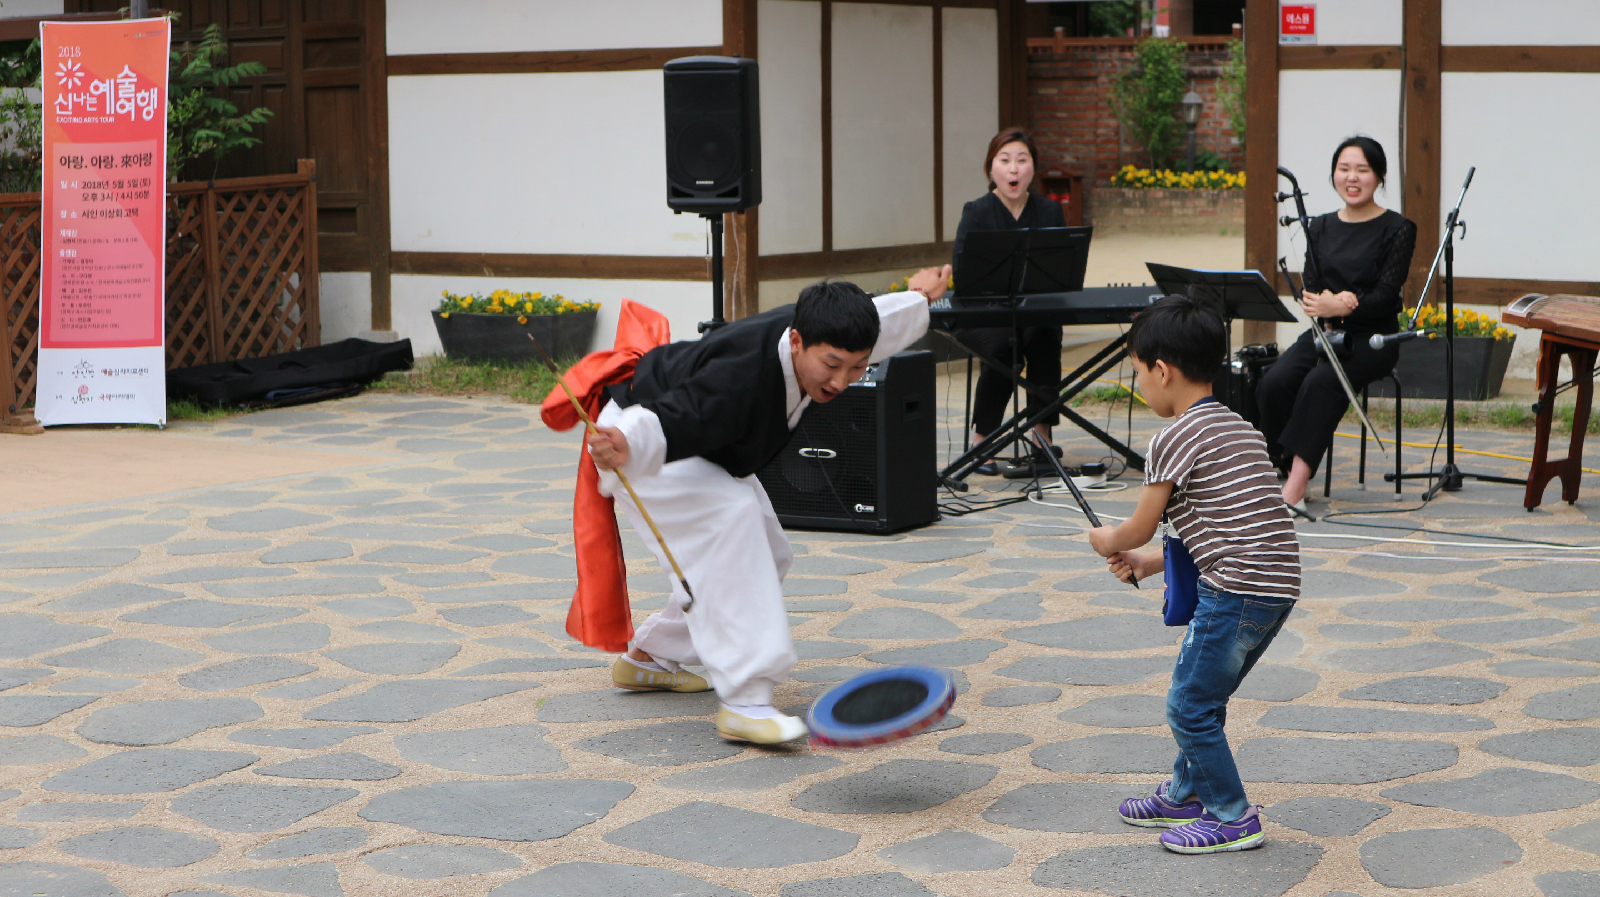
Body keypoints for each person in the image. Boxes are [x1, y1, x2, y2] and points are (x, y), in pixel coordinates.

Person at [584, 267, 950, 744]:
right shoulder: (740, 373)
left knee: (771, 553)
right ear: (796, 341)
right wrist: (627, 442)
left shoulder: (830, 334)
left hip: (695, 445)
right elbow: (682, 413)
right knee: (735, 525)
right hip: (645, 437)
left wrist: (920, 296)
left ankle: (651, 656)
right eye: (833, 365)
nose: (842, 381)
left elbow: (878, 319)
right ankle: (746, 702)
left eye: (857, 368)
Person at [1087, 295, 1301, 854]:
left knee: (1188, 703)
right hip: (1274, 585)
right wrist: (1148, 564)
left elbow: (1137, 526)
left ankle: (1232, 817)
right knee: (1207, 695)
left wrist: (1107, 541)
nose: (1140, 386)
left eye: (1137, 373)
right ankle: (1185, 793)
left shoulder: (1173, 437)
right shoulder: (1240, 428)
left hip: (1235, 588)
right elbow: (1218, 526)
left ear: (1163, 369)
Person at [1257, 136, 1418, 508]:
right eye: (1344, 169)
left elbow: (1387, 294)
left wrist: (1348, 306)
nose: (1352, 177)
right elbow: (1312, 290)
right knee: (1274, 382)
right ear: (1334, 175)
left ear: (1379, 177)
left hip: (1374, 339)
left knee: (1320, 381)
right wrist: (1327, 304)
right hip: (1324, 333)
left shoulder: (1398, 229)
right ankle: (1282, 468)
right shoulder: (1320, 226)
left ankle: (1296, 485)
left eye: (1362, 170)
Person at [951, 127, 1067, 473]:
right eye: (1005, 161)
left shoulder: (1049, 212)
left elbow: (1060, 270)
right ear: (991, 169)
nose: (1013, 169)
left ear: (1033, 168)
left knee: (1046, 335)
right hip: (983, 313)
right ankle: (982, 442)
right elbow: (963, 271)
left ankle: (1041, 438)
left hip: (1032, 310)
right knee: (1004, 348)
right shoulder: (976, 212)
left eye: (1022, 160)